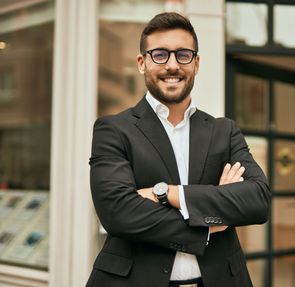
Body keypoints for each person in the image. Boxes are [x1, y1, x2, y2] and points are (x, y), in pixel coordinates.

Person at [86, 12, 271, 287]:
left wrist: (166, 193)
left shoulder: (224, 130)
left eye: (183, 55)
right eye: (160, 54)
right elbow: (118, 213)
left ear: (196, 64)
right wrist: (208, 222)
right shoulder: (113, 129)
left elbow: (257, 201)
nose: (172, 65)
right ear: (142, 62)